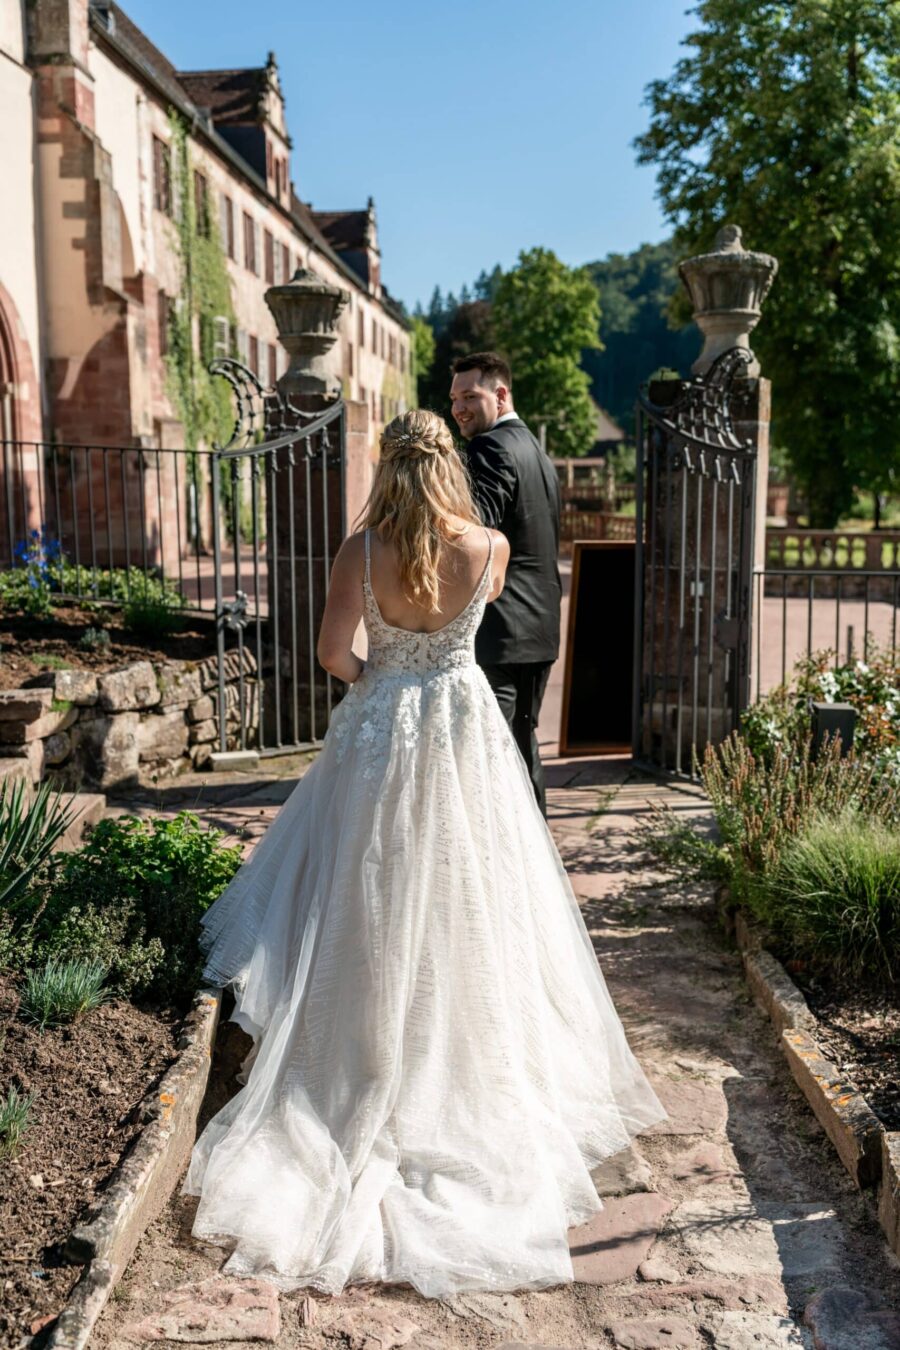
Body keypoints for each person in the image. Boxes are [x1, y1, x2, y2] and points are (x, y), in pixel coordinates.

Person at [181, 409, 665, 1298]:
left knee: (366, 894)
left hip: (382, 733)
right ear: (449, 466)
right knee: (472, 895)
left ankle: (360, 1059)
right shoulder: (487, 549)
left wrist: (380, 686)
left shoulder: (357, 552)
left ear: (387, 467)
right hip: (463, 733)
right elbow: (469, 637)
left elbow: (335, 654)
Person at [450, 352, 561, 816]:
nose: (458, 409)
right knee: (518, 744)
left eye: (470, 396)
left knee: (491, 756)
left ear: (500, 394)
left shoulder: (489, 449)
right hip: (539, 630)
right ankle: (538, 862)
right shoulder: (538, 453)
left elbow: (476, 538)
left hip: (498, 631)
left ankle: (509, 868)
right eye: (454, 399)